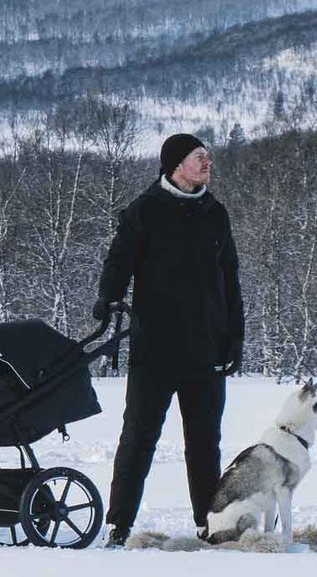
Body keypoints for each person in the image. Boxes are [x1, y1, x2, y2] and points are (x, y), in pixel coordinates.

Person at [94, 132, 245, 544]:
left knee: (204, 444)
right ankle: (118, 524)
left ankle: (208, 524)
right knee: (138, 439)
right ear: (175, 164)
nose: (207, 163)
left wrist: (235, 336)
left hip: (206, 349)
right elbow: (119, 260)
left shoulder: (216, 214)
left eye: (207, 157)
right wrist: (107, 298)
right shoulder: (144, 211)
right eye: (199, 157)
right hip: (155, 349)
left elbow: (229, 278)